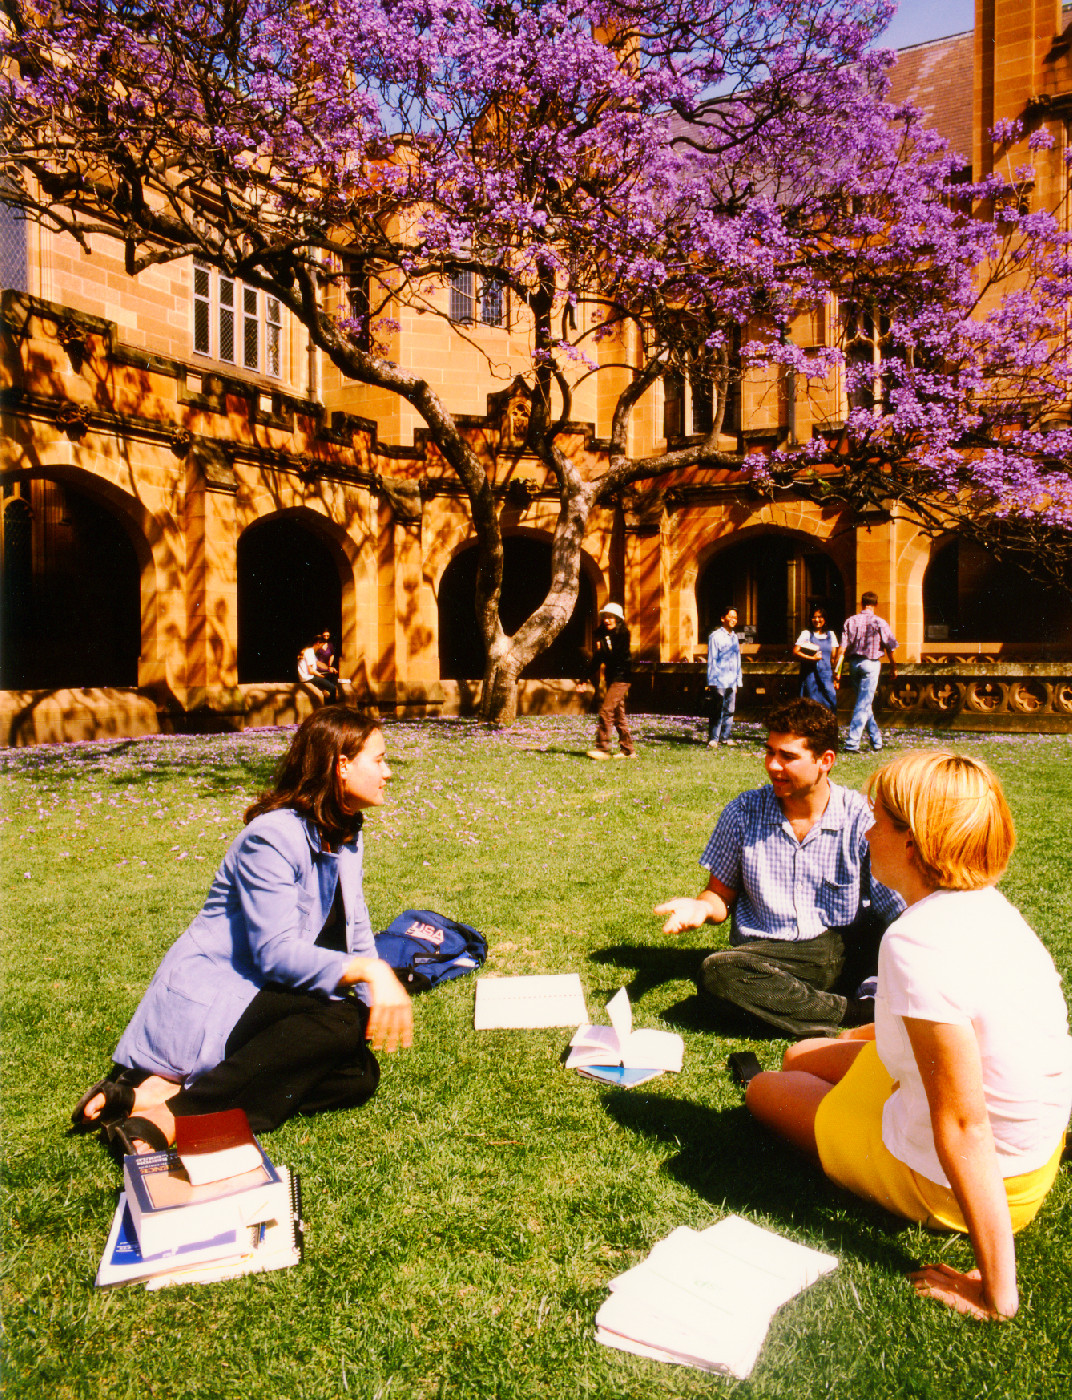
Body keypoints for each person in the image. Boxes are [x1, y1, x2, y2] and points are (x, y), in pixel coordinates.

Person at [745, 750, 1072, 1321]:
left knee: (765, 1090)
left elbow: (964, 1123)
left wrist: (998, 1293)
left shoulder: (918, 942)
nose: (866, 833)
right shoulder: (987, 909)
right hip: (1027, 1148)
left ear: (914, 842)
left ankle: (989, 1271)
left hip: (977, 1176)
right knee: (801, 1052)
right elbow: (927, 1032)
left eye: (878, 821)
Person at [70, 707, 413, 1154]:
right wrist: (373, 974)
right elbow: (274, 953)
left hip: (267, 992)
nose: (388, 772)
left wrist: (372, 1006)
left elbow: (356, 927)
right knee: (338, 1022)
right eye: (380, 759)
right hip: (222, 993)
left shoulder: (344, 830)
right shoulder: (271, 838)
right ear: (341, 765)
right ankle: (171, 1121)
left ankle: (155, 1094)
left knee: (357, 1076)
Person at [655, 698, 903, 1037]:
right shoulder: (743, 813)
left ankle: (804, 1006)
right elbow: (719, 895)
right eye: (770, 752)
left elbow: (895, 904)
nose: (773, 765)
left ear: (825, 761)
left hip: (840, 948)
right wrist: (701, 906)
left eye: (788, 756)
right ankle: (858, 1013)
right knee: (718, 972)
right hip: (767, 954)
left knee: (887, 933)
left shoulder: (860, 816)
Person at [836, 591, 897, 753]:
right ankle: (852, 743)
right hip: (871, 664)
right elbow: (890, 647)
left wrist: (837, 670)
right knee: (863, 704)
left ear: (861, 603)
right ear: (876, 604)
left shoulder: (851, 621)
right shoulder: (879, 622)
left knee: (864, 704)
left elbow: (842, 649)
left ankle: (877, 741)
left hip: (854, 664)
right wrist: (893, 666)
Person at [586, 602, 637, 760]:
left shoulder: (622, 635)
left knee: (606, 710)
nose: (607, 620)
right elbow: (598, 659)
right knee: (618, 714)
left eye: (611, 617)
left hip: (622, 677)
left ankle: (602, 749)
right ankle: (628, 750)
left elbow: (614, 657)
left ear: (617, 619)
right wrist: (584, 677)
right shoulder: (604, 636)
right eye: (605, 617)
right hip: (611, 677)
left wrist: (603, 649)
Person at [705, 606, 743, 746]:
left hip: (731, 680)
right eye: (731, 617)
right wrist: (712, 681)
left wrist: (738, 681)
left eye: (735, 618)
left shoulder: (734, 637)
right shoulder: (715, 637)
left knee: (730, 710)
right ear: (723, 618)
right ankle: (713, 738)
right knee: (717, 710)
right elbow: (712, 659)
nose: (733, 620)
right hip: (719, 680)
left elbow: (737, 659)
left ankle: (725, 737)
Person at [793, 605, 839, 712]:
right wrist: (811, 658)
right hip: (811, 675)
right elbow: (795, 651)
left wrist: (836, 677)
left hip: (827, 676)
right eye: (814, 617)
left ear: (825, 619)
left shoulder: (831, 635)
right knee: (811, 704)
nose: (817, 620)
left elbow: (833, 659)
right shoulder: (806, 634)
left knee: (830, 701)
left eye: (820, 617)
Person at [298, 631, 340, 702]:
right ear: (317, 643)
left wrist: (330, 668)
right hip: (307, 678)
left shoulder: (311, 652)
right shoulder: (309, 653)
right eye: (322, 644)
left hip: (310, 677)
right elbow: (311, 671)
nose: (322, 647)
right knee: (333, 688)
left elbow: (318, 663)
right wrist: (319, 675)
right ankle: (332, 708)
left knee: (327, 687)